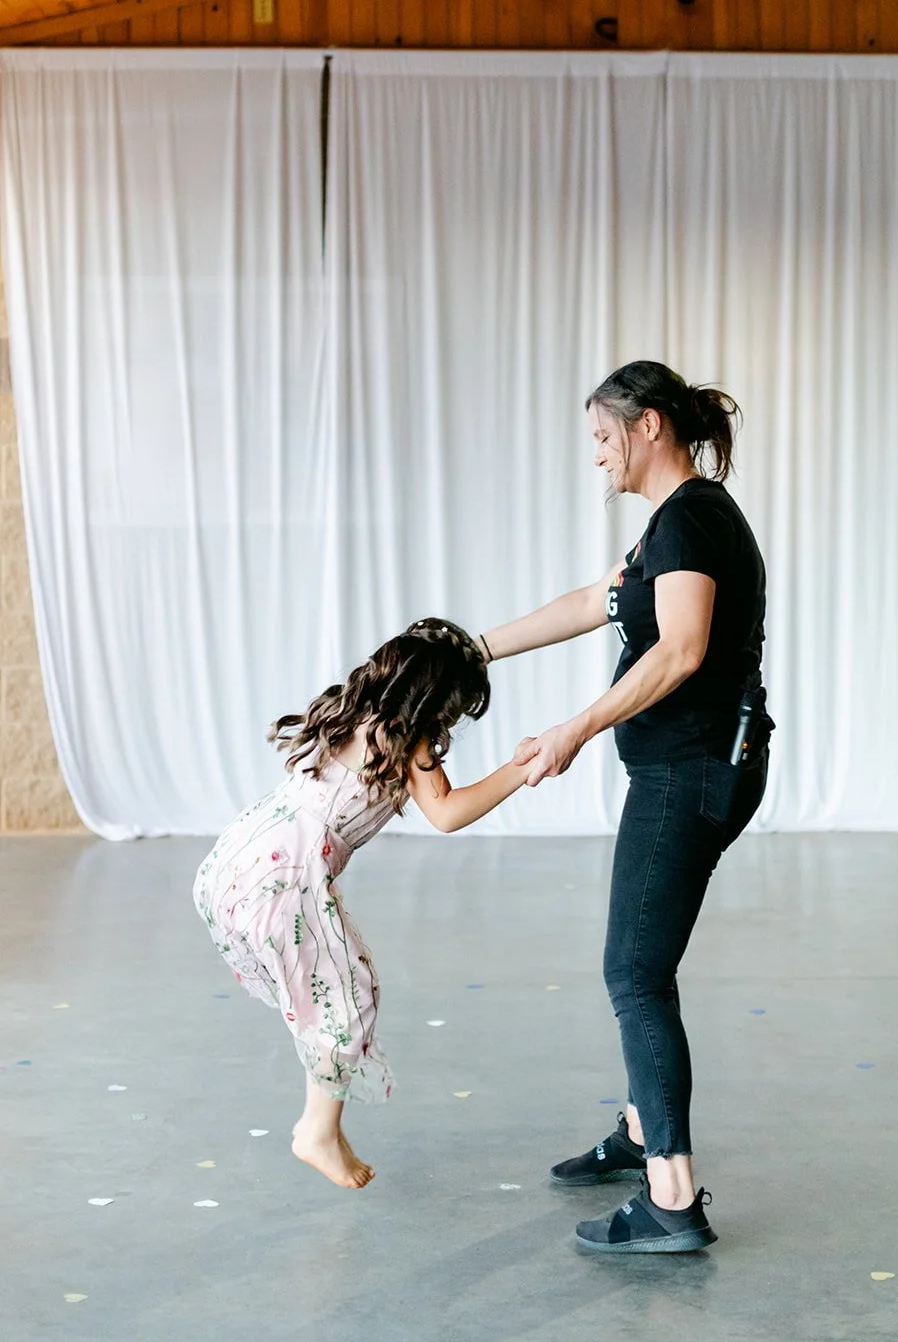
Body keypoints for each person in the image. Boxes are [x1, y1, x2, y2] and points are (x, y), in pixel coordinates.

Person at [480, 360, 773, 1255]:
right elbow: (590, 603)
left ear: (648, 426)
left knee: (634, 974)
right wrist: (470, 648)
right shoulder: (669, 525)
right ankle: (645, 1131)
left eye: (604, 437)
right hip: (689, 768)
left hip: (690, 773)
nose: (598, 456)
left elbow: (681, 650)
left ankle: (671, 1200)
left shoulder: (690, 520)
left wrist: (571, 729)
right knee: (642, 964)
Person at [193, 618, 532, 1191]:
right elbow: (447, 813)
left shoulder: (354, 711)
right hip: (286, 878)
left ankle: (323, 1126)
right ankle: (317, 1131)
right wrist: (521, 770)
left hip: (243, 858)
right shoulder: (407, 741)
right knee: (346, 996)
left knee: (337, 988)